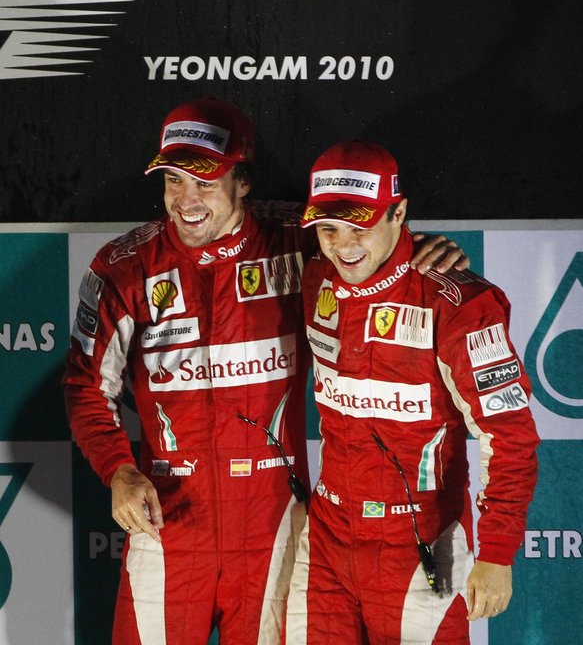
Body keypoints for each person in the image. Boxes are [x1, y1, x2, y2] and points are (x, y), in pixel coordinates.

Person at [63, 100, 469, 645]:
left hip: (276, 526)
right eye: (173, 180)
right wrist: (118, 469)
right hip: (167, 519)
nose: (186, 199)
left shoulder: (300, 239)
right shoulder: (122, 266)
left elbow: (366, 244)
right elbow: (86, 386)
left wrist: (420, 249)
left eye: (205, 182)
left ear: (243, 181)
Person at [286, 140, 539, 645]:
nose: (343, 245)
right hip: (328, 535)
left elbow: (510, 437)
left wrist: (497, 553)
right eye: (329, 229)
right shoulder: (314, 277)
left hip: (424, 541)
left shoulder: (461, 304)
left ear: (398, 213)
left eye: (360, 226)